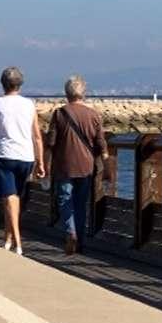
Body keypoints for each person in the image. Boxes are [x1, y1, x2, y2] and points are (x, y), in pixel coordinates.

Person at [0, 66, 44, 256]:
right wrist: (41, 161)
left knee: (10, 198)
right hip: (26, 156)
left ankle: (17, 239)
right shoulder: (29, 105)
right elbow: (37, 136)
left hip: (4, 154)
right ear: (20, 84)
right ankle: (7, 238)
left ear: (3, 84)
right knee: (13, 198)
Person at [47, 75, 106, 255]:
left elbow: (51, 141)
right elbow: (101, 142)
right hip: (86, 166)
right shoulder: (94, 115)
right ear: (84, 94)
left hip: (64, 165)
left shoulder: (59, 113)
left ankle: (70, 231)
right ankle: (79, 241)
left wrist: (44, 162)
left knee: (65, 199)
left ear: (67, 93)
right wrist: (106, 161)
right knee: (81, 204)